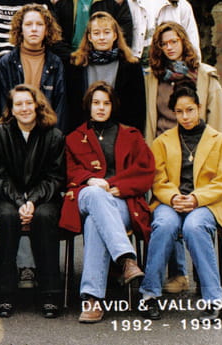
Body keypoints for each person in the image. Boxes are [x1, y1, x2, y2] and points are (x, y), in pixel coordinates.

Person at [59, 81, 153, 323]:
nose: (101, 108)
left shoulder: (131, 135)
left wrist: (115, 186)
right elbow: (68, 172)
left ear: (113, 106)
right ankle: (126, 258)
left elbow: (145, 172)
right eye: (96, 103)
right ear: (88, 106)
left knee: (94, 223)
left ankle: (92, 298)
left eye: (106, 103)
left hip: (121, 201)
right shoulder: (74, 138)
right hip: (85, 196)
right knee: (95, 195)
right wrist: (90, 180)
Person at [139, 81, 222, 323]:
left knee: (194, 226)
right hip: (170, 202)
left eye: (190, 110)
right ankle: (150, 295)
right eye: (179, 112)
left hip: (206, 204)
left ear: (199, 108)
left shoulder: (221, 142)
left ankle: (214, 301)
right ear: (173, 113)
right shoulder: (162, 142)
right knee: (164, 225)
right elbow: (158, 180)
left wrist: (195, 198)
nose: (185, 116)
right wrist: (173, 197)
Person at [0, 84, 65, 318]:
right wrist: (19, 201)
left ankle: (50, 294)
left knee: (44, 217)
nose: (24, 108)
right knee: (6, 217)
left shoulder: (54, 135)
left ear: (37, 105)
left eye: (28, 103)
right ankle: (4, 294)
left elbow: (56, 177)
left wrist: (32, 200)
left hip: (44, 197)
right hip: (7, 197)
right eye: (18, 104)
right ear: (11, 109)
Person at [146, 21, 222, 143]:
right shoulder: (152, 77)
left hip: (195, 146)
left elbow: (217, 119)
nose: (169, 47)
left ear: (183, 41)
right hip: (162, 145)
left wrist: (215, 148)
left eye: (174, 42)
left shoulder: (205, 75)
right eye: (164, 44)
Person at [65, 11, 145, 133]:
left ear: (115, 35)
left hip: (120, 133)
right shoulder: (76, 65)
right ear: (90, 37)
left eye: (107, 32)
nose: (102, 37)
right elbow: (71, 107)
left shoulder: (131, 66)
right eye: (96, 33)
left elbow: (138, 108)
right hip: (85, 133)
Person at [0, 4, 66, 130]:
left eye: (39, 24)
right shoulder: (6, 62)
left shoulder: (55, 63)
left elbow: (59, 106)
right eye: (28, 24)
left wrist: (55, 137)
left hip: (46, 131)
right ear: (21, 29)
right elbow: (4, 106)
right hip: (16, 131)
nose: (34, 29)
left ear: (47, 30)